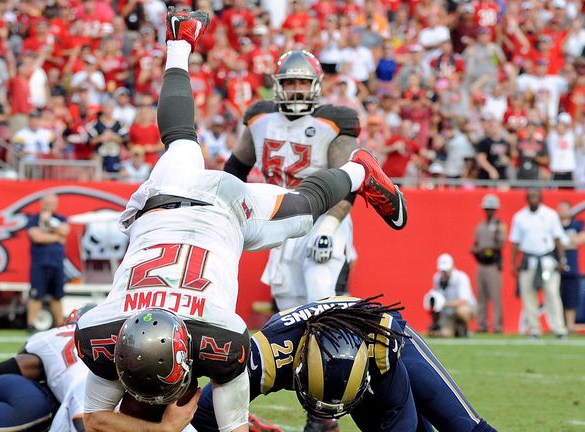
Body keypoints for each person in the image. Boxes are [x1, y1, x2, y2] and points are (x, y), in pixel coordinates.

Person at [74, 10, 407, 432]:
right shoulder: (104, 328)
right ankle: (179, 42)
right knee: (180, 138)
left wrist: (161, 428)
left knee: (303, 213)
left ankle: (359, 170)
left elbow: (92, 421)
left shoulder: (214, 337)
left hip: (224, 216)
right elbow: (90, 422)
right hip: (164, 200)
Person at [190, 297, 497, 432]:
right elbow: (202, 414)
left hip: (389, 341)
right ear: (298, 368)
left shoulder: (380, 351)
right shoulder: (268, 356)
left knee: (461, 425)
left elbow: (398, 418)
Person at [223, 48, 376, 314]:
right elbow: (236, 168)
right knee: (288, 308)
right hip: (280, 219)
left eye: (303, 82)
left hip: (323, 215)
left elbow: (348, 178)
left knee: (321, 291)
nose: (296, 89)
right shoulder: (260, 117)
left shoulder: (334, 120)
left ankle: (335, 354)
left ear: (315, 85)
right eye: (290, 82)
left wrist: (329, 226)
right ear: (278, 85)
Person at [0, 305, 97, 432]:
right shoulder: (105, 340)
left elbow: (2, 370)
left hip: (19, 388)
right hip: (71, 397)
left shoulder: (49, 336)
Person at [510, 189, 568, 339]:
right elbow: (515, 243)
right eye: (530, 196)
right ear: (526, 199)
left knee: (552, 293)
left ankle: (559, 328)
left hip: (547, 261)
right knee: (528, 295)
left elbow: (558, 239)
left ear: (541, 198)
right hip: (529, 261)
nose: (533, 199)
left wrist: (562, 260)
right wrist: (513, 263)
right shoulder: (519, 217)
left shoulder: (550, 215)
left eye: (535, 196)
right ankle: (534, 329)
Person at [26, 193, 71, 332]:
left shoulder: (61, 218)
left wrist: (49, 223)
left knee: (57, 295)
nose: (49, 205)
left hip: (57, 263)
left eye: (52, 202)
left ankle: (60, 324)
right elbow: (36, 237)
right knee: (36, 295)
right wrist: (57, 237)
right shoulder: (33, 219)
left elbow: (65, 231)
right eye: (47, 202)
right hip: (40, 263)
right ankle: (31, 324)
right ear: (41, 203)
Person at [472, 194, 506, 333]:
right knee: (481, 296)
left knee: (495, 296)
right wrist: (477, 250)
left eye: (491, 209)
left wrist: (497, 235)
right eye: (487, 209)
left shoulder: (500, 225)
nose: (489, 211)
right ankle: (482, 324)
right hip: (481, 263)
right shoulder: (480, 227)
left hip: (493, 264)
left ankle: (497, 325)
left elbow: (501, 243)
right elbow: (476, 244)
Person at [426, 254, 477, 338]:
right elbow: (436, 298)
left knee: (462, 311)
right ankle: (458, 330)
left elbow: (463, 300)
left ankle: (464, 327)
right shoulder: (437, 278)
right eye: (442, 270)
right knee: (444, 334)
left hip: (466, 307)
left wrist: (443, 304)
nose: (444, 273)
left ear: (452, 267)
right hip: (448, 312)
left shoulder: (461, 277)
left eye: (446, 270)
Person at [557, 201, 585, 333]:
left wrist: (566, 241)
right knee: (557, 296)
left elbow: (583, 238)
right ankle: (559, 324)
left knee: (571, 297)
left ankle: (570, 325)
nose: (563, 211)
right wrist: (570, 240)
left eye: (566, 208)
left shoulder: (577, 224)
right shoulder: (555, 225)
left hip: (572, 265)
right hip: (556, 265)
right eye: (561, 208)